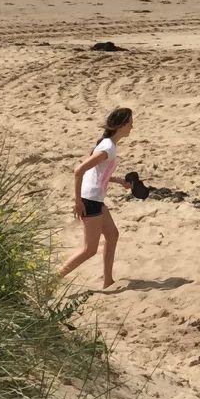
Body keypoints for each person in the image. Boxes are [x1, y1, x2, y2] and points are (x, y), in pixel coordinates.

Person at [59, 107, 131, 291]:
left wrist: (118, 180)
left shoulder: (108, 144)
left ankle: (108, 281)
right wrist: (78, 201)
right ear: (121, 125)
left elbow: (97, 172)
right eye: (130, 122)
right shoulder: (107, 147)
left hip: (94, 198)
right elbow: (79, 171)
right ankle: (52, 280)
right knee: (89, 249)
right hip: (89, 200)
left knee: (112, 235)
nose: (132, 126)